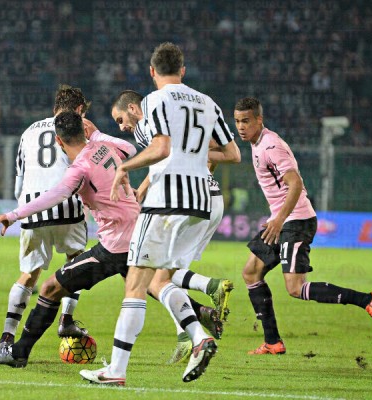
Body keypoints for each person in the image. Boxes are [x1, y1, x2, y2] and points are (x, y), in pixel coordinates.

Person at [0, 112, 223, 370]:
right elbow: (130, 148)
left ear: (59, 141)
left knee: (50, 288)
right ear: (84, 131)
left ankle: (18, 352)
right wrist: (96, 133)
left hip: (114, 246)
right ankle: (199, 315)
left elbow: (55, 195)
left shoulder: (79, 168)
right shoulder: (104, 146)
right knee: (154, 284)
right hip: (139, 231)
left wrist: (13, 215)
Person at [80, 42, 241, 386]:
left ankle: (116, 371)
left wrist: (125, 167)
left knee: (136, 283)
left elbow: (161, 147)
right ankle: (199, 337)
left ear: (152, 71)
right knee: (160, 281)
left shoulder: (154, 101)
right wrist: (193, 156)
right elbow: (232, 154)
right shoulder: (208, 102)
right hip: (200, 203)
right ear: (183, 70)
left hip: (166, 201)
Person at [233, 97, 372, 354]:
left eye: (246, 121)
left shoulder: (271, 146)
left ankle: (367, 300)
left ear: (259, 120)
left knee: (295, 288)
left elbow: (295, 184)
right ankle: (273, 342)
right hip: (282, 221)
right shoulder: (257, 144)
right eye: (237, 121)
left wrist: (279, 220)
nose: (240, 126)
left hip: (296, 221)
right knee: (251, 273)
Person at [110, 89, 239, 363]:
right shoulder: (192, 112)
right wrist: (146, 187)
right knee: (164, 274)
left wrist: (125, 168)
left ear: (132, 108)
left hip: (176, 201)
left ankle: (192, 330)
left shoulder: (152, 116)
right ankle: (193, 325)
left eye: (120, 119)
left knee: (146, 278)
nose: (121, 127)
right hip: (207, 200)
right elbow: (173, 157)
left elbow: (165, 152)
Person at [0, 85, 91, 347]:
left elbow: (19, 182)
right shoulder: (79, 129)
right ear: (79, 109)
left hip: (31, 209)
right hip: (67, 207)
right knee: (76, 262)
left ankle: (6, 337)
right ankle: (66, 319)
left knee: (28, 274)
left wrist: (22, 210)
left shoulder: (28, 132)